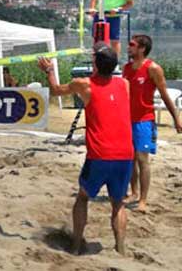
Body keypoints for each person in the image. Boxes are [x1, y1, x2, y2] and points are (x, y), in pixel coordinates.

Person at [37, 43, 133, 255]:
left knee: (82, 198)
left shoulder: (84, 85)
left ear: (95, 65)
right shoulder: (124, 84)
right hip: (126, 153)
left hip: (100, 154)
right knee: (118, 204)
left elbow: (55, 91)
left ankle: (76, 245)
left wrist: (49, 71)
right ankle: (121, 248)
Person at [123, 34, 182, 212]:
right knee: (130, 158)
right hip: (127, 119)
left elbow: (164, 94)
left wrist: (176, 118)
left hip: (144, 120)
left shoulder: (153, 68)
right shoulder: (127, 68)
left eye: (132, 45)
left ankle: (143, 200)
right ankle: (133, 192)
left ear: (142, 48)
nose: (129, 47)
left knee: (143, 159)